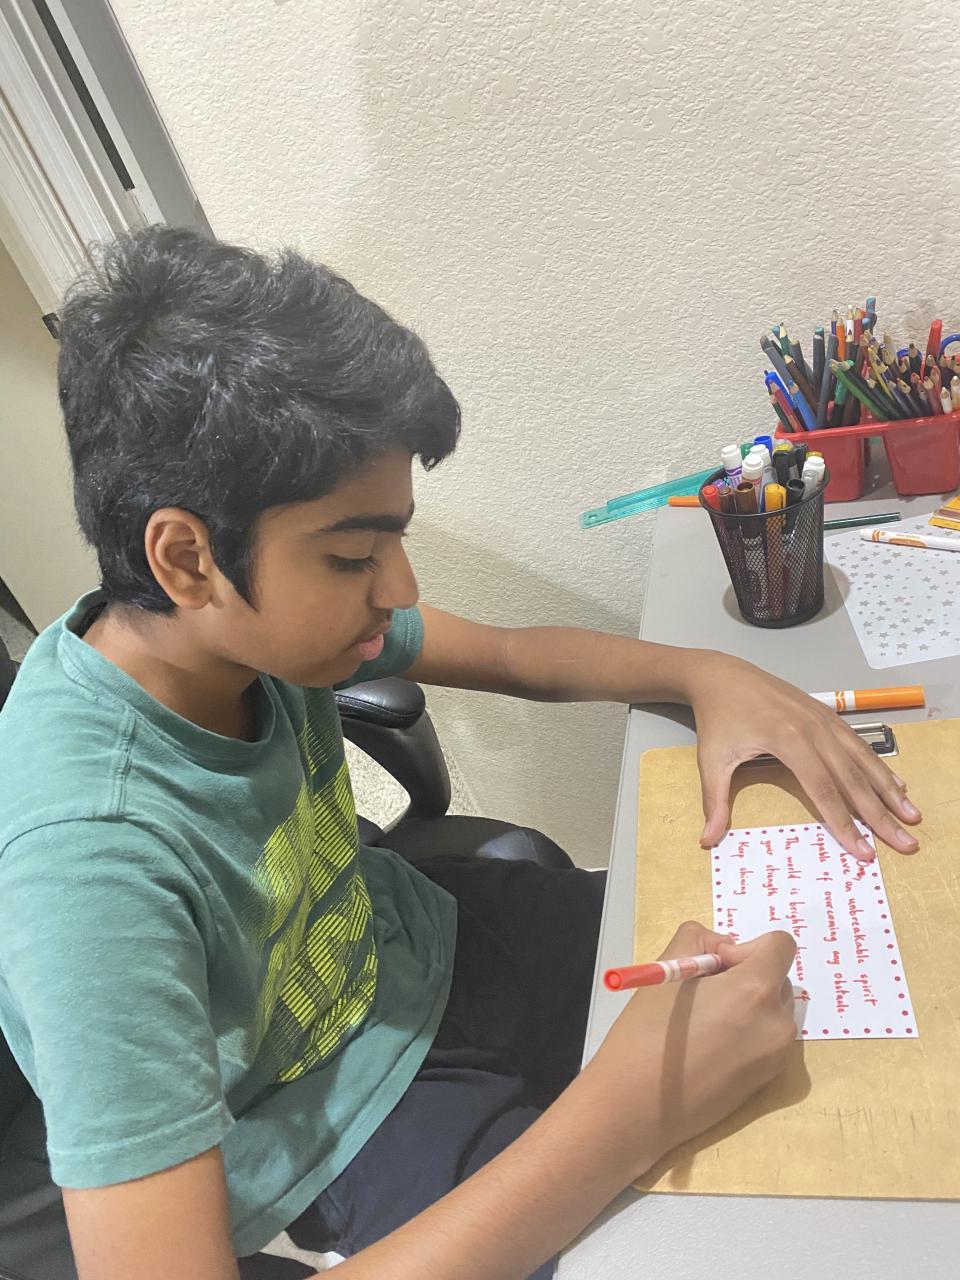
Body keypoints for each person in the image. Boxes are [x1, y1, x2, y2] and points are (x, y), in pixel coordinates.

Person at [0, 228, 920, 1280]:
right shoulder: (87, 863)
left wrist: (708, 675)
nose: (396, 589)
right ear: (186, 556)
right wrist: (636, 1107)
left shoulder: (233, 632)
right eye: (354, 554)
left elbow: (520, 656)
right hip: (329, 1119)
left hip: (423, 942)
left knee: (805, 973)